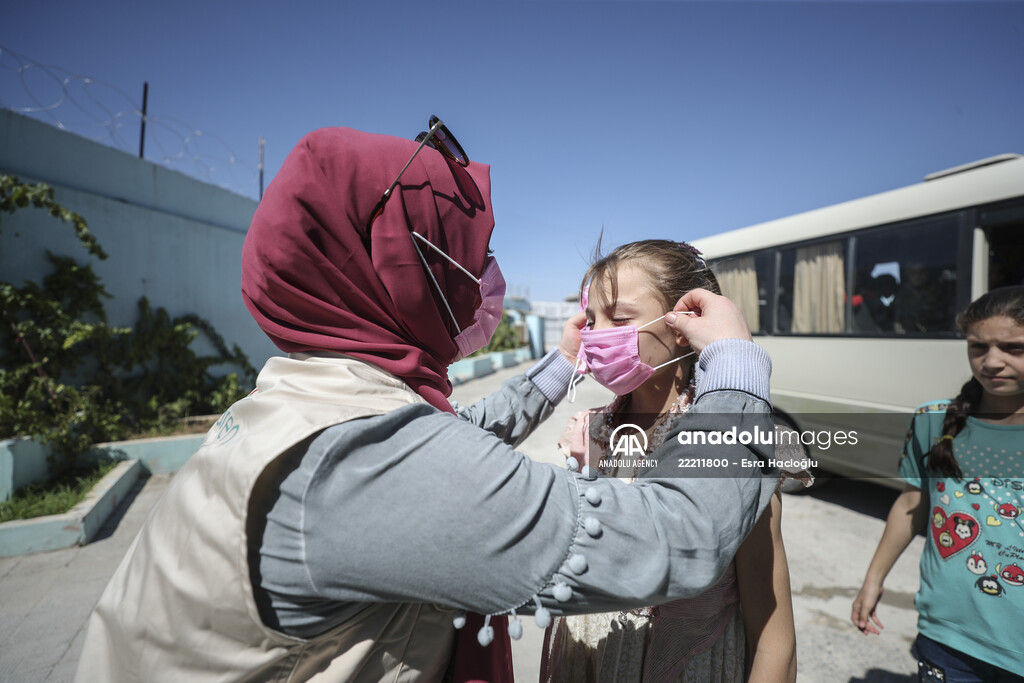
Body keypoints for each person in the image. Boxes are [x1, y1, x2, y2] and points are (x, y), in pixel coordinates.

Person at [75, 118, 780, 683]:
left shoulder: (304, 398)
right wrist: (736, 369)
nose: (484, 276)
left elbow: (458, 437)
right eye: (464, 253)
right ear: (392, 268)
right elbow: (675, 538)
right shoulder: (361, 460)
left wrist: (561, 366)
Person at [540, 240, 799, 682]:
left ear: (683, 326)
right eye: (591, 320)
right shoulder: (589, 433)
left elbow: (774, 640)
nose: (596, 335)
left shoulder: (731, 449)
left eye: (620, 319)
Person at [852, 286, 1024, 682]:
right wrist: (873, 579)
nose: (991, 362)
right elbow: (911, 503)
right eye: (978, 347)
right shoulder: (933, 421)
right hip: (947, 639)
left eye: (1013, 348)